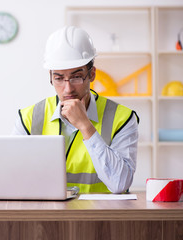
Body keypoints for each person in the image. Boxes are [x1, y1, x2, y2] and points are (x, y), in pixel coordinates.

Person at [12, 26, 139, 193]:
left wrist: (86, 127)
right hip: (45, 214)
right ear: (50, 77)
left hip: (102, 216)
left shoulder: (122, 118)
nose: (67, 89)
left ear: (92, 74)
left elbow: (120, 183)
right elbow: (13, 178)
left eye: (76, 77)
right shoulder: (28, 117)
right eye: (58, 78)